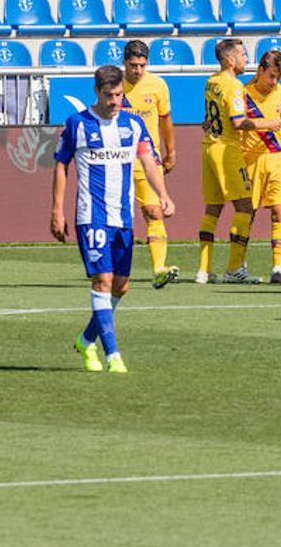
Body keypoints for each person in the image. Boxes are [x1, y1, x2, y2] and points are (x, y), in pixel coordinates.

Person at [52, 66, 174, 374]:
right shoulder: (77, 125)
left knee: (121, 286)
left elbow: (148, 161)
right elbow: (61, 166)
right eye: (109, 96)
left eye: (119, 95)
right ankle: (112, 355)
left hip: (123, 217)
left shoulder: (133, 125)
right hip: (90, 216)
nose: (115, 101)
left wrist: (163, 194)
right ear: (97, 92)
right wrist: (56, 210)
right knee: (102, 281)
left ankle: (85, 339)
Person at [198, 39, 281, 284]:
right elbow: (237, 122)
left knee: (213, 207)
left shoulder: (211, 81)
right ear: (230, 59)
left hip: (208, 147)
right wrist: (270, 123)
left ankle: (203, 270)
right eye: (243, 55)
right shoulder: (233, 85)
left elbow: (209, 118)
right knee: (245, 207)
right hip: (227, 149)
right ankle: (234, 269)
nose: (246, 59)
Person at [121, 40, 179, 289]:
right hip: (119, 160)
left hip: (148, 160)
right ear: (125, 62)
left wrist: (171, 151)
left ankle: (158, 269)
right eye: (133, 65)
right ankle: (112, 267)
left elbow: (165, 120)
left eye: (142, 65)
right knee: (119, 218)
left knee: (154, 212)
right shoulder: (113, 84)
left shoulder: (157, 85)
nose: (137, 71)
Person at [242, 50, 281, 285]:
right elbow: (235, 124)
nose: (275, 82)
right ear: (260, 70)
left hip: (279, 157)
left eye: (279, 77)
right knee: (247, 213)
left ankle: (277, 268)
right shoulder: (243, 94)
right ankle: (238, 265)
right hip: (250, 158)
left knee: (279, 212)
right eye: (271, 76)